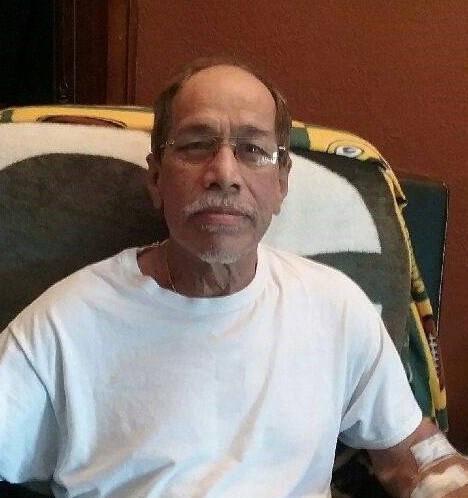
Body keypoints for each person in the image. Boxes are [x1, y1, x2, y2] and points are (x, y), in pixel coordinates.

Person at [0, 58, 467, 498]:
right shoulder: (65, 324)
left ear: (282, 182)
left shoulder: (335, 307)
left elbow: (415, 456)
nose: (224, 173)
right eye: (196, 145)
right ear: (156, 177)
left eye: (253, 150)